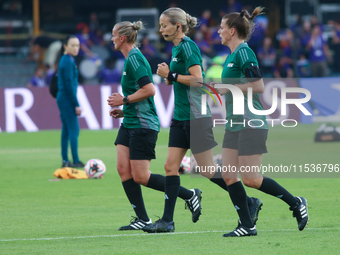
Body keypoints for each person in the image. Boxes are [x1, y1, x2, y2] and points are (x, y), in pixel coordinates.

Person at [142, 7, 263, 234]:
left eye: (164, 25)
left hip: (196, 117)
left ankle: (248, 202)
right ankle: (167, 221)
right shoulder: (177, 48)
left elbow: (198, 80)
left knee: (208, 170)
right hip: (180, 116)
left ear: (177, 26)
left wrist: (172, 76)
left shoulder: (189, 47)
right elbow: (183, 80)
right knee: (170, 166)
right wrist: (172, 79)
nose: (160, 29)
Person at [215, 7, 309, 237]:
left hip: (250, 121)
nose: (218, 31)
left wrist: (230, 88)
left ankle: (296, 203)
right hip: (234, 122)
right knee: (228, 175)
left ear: (232, 31)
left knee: (251, 179)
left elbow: (258, 86)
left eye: (221, 27)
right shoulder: (231, 56)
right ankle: (247, 225)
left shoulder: (245, 52)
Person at [107, 20, 203, 231]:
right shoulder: (128, 59)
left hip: (143, 124)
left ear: (122, 38)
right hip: (130, 121)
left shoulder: (134, 59)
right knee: (123, 169)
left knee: (141, 176)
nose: (111, 39)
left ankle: (189, 194)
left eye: (113, 35)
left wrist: (124, 100)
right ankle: (143, 218)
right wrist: (125, 110)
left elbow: (150, 90)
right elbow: (140, 97)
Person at [56, 35, 85, 168]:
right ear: (65, 46)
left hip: (62, 97)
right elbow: (69, 85)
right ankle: (75, 160)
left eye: (77, 45)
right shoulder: (68, 61)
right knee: (74, 129)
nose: (75, 48)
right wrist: (76, 104)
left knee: (66, 130)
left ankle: (65, 160)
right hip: (67, 99)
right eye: (72, 45)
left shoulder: (65, 59)